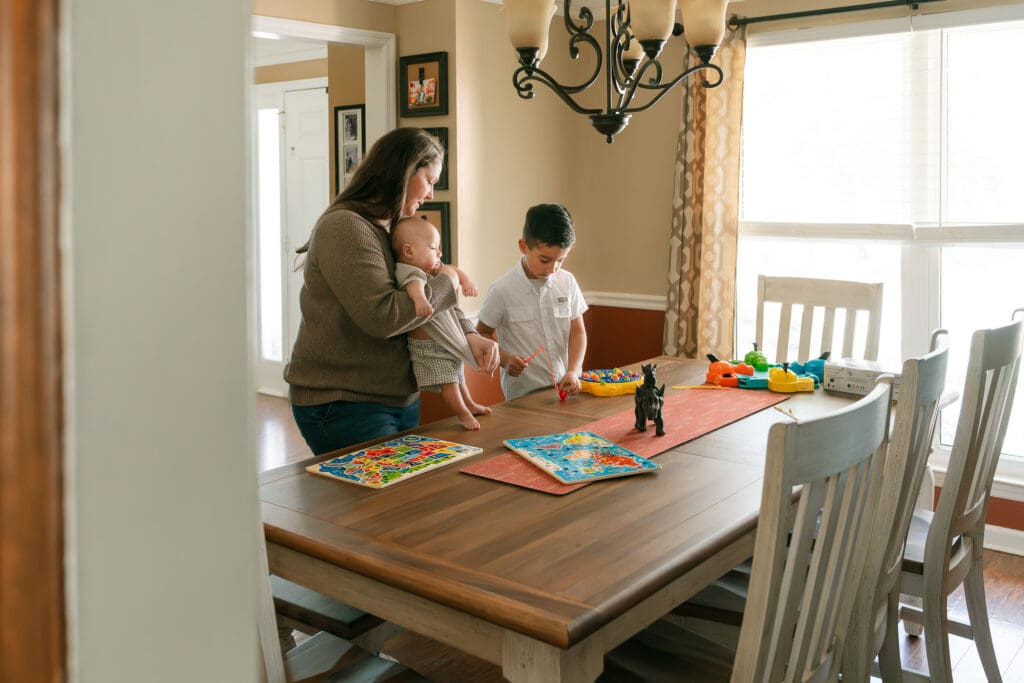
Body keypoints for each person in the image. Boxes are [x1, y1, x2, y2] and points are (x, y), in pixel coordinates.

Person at [284, 127, 499, 456]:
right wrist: (452, 282)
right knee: (380, 506)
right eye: (429, 181)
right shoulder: (346, 228)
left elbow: (426, 288)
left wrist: (469, 333)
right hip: (343, 403)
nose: (430, 194)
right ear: (405, 171)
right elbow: (383, 317)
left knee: (398, 505)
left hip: (396, 397)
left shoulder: (393, 227)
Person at [476, 203, 588, 401]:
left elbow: (578, 331)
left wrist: (573, 370)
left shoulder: (567, 282)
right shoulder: (502, 290)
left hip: (563, 390)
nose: (553, 268)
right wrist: (505, 360)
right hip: (522, 396)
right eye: (545, 260)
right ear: (523, 246)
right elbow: (481, 333)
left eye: (560, 260)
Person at [391, 217, 493, 430]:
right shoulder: (408, 271)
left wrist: (466, 281)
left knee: (458, 375)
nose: (439, 254)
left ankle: (471, 404)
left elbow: (451, 269)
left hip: (443, 340)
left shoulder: (430, 269)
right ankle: (463, 414)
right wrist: (420, 300)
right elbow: (414, 286)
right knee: (450, 383)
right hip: (428, 347)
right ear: (409, 252)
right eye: (433, 248)